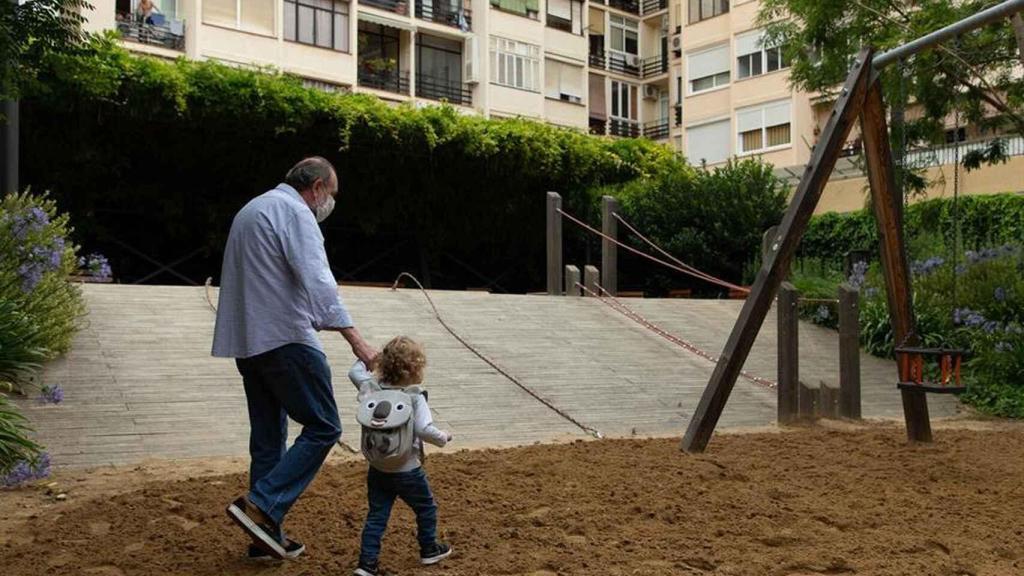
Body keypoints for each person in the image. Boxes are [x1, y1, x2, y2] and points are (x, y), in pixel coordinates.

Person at [213, 157, 378, 561]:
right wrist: (356, 340)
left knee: (268, 440)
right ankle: (263, 504)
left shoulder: (252, 209)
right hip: (286, 339)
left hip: (249, 343)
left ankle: (264, 537)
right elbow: (318, 279)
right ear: (317, 187)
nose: (329, 204)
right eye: (331, 195)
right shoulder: (294, 212)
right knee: (324, 426)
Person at [348, 336, 453, 576]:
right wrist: (443, 437)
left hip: (378, 469)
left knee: (377, 515)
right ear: (415, 369)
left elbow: (354, 373)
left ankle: (366, 565)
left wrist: (365, 358)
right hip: (408, 470)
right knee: (426, 508)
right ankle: (429, 549)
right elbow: (424, 430)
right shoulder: (415, 397)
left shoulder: (371, 388)